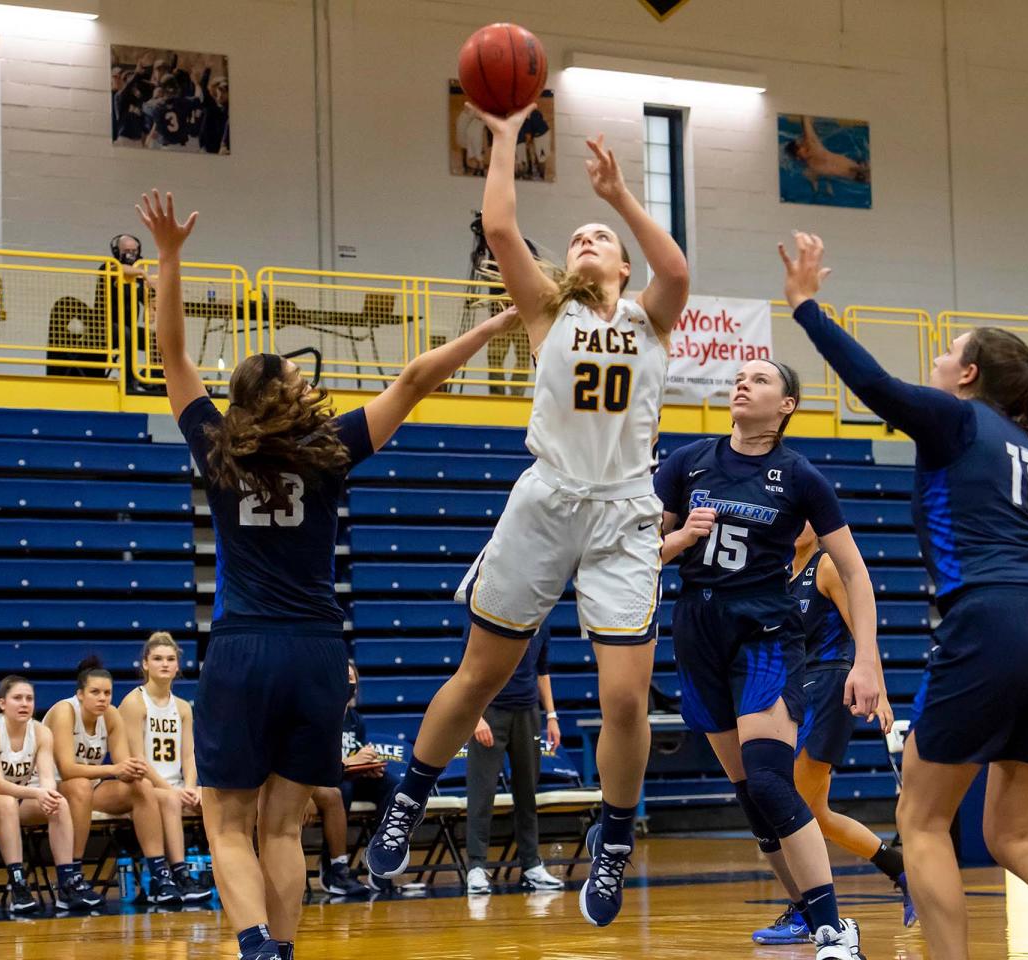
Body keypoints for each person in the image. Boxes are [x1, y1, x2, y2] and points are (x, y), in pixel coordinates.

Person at [137, 188, 523, 960]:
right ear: (288, 394)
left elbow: (173, 355)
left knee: (227, 823)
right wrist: (501, 320)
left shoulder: (217, 445)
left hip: (243, 650)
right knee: (285, 824)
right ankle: (280, 947)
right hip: (318, 652)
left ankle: (256, 947)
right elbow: (414, 379)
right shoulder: (331, 448)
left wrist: (171, 258)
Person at [781, 231, 1028, 960]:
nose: (939, 358)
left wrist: (806, 308)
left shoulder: (958, 419)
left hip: (990, 619)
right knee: (1013, 829)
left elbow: (875, 386)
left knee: (919, 820)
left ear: (969, 373)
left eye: (949, 351)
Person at [364, 101, 689, 932]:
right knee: (480, 674)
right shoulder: (551, 312)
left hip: (622, 514)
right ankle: (409, 796)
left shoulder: (652, 318)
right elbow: (501, 226)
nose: (585, 242)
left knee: (624, 701)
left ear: (621, 262)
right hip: (546, 501)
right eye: (576, 235)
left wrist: (620, 199)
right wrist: (505, 136)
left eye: (599, 239)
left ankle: (612, 840)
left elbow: (678, 272)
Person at [654, 358, 884, 958]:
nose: (742, 383)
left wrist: (869, 660)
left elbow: (855, 572)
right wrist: (678, 541)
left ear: (786, 405)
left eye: (759, 379)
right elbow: (635, 551)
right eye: (740, 377)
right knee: (754, 801)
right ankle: (812, 917)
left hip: (764, 635)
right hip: (697, 632)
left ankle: (837, 928)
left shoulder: (801, 477)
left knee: (771, 782)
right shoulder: (687, 462)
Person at [752, 519, 913, 945]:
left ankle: (810, 913)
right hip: (795, 691)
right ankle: (901, 871)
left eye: (806, 517)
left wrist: (880, 692)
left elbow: (864, 632)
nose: (798, 524)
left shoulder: (826, 567)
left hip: (829, 687)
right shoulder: (781, 571)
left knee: (794, 812)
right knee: (816, 816)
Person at [43, 657, 177, 907]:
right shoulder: (65, 711)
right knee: (81, 784)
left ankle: (159, 876)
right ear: (80, 694)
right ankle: (71, 878)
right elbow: (68, 769)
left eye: (107, 693)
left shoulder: (112, 715)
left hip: (88, 788)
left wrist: (131, 769)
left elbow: (122, 764)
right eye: (95, 692)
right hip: (52, 789)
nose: (102, 698)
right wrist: (116, 768)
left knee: (142, 787)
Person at [0, 676, 97, 913]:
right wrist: (37, 792)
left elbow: (48, 778)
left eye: (29, 699)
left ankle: (66, 886)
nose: (24, 704)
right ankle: (18, 885)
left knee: (59, 802)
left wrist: (48, 794)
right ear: (3, 704)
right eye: (17, 698)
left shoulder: (41, 732)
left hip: (20, 796)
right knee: (8, 803)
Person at [464, 619, 565, 895]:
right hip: (490, 711)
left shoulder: (543, 622)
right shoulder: (488, 616)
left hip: (527, 713)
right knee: (482, 792)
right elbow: (468, 670)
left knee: (527, 792)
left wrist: (552, 716)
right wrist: (476, 716)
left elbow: (542, 671)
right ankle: (476, 866)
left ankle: (531, 864)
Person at [118, 632, 214, 902]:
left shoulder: (182, 707)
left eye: (170, 659)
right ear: (145, 664)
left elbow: (189, 756)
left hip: (176, 787)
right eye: (158, 659)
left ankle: (222, 873)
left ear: (177, 666)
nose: (165, 664)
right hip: (144, 785)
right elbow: (137, 759)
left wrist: (191, 786)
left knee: (222, 800)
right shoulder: (134, 702)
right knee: (171, 799)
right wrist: (173, 790)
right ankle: (180, 875)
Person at [308, 659, 393, 899]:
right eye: (345, 679)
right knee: (341, 788)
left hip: (345, 776)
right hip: (324, 780)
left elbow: (353, 757)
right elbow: (314, 763)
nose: (350, 684)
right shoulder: (317, 715)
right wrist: (350, 763)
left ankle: (381, 856)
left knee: (391, 784)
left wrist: (367, 767)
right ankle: (334, 868)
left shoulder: (356, 720)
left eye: (353, 680)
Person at [784, 115, 869, 196]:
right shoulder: (809, 172)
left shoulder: (814, 146)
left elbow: (805, 121)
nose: (803, 145)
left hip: (860, 166)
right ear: (798, 157)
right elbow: (816, 190)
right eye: (800, 147)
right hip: (859, 178)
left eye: (801, 144)